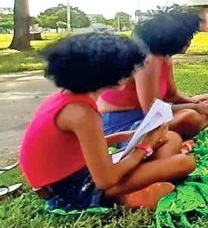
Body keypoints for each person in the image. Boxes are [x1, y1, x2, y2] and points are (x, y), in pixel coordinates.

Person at [19, 33, 196, 211]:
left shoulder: (66, 100)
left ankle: (144, 180)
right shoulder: (82, 113)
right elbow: (105, 180)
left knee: (170, 138)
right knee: (184, 163)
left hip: (78, 173)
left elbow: (74, 148)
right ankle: (128, 194)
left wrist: (127, 136)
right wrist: (144, 147)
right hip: (73, 191)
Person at [98, 8, 208, 140]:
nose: (190, 42)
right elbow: (152, 111)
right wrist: (194, 107)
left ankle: (196, 124)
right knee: (190, 118)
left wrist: (197, 104)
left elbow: (172, 96)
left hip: (150, 113)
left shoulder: (165, 58)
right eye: (188, 37)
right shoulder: (147, 60)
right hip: (122, 121)